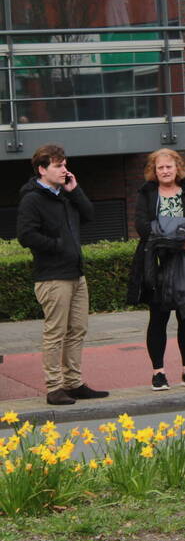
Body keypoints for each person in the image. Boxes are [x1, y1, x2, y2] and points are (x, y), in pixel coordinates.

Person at [15, 144, 109, 406]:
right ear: (42, 169)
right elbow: (26, 235)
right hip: (52, 277)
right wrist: (58, 246)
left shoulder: (66, 195)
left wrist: (75, 191)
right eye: (58, 166)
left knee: (77, 329)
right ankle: (54, 387)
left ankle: (73, 383)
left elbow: (90, 215)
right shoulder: (32, 198)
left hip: (76, 274)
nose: (64, 170)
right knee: (56, 332)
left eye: (65, 164)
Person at [126, 149, 185, 391]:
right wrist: (172, 240)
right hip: (157, 263)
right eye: (160, 168)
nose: (165, 171)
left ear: (177, 168)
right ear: (153, 171)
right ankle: (159, 373)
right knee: (158, 317)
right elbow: (142, 225)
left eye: (169, 167)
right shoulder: (147, 194)